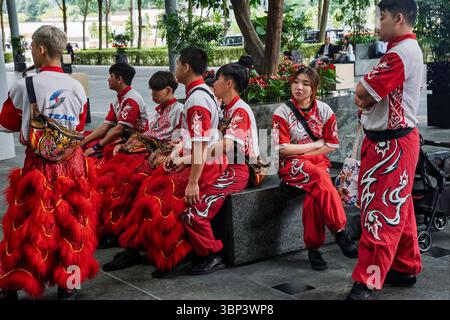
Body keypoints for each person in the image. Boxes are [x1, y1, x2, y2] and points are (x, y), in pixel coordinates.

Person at [104, 47, 225, 275]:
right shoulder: (199, 93)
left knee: (156, 197)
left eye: (178, 63)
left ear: (185, 67)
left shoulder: (197, 99)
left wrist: (192, 182)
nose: (176, 68)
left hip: (202, 164)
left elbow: (201, 144)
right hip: (194, 158)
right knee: (142, 187)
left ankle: (176, 255)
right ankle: (138, 248)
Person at [0, 25, 99, 300]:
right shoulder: (77, 86)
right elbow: (79, 125)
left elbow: (5, 121)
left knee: (26, 226)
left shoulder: (24, 85)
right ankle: (70, 285)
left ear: (41, 49)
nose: (31, 51)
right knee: (74, 226)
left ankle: (10, 287)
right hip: (73, 165)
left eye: (31, 47)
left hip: (38, 167)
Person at [346, 0, 423, 300]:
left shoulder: (401, 53)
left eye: (382, 16)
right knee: (398, 206)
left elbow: (362, 94)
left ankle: (368, 281)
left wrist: (362, 94)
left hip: (391, 144)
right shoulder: (403, 49)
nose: (378, 22)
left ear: (399, 18)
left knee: (381, 213)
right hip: (393, 141)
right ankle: (403, 267)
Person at [272, 66, 358, 272]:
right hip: (290, 165)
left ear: (314, 88)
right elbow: (283, 149)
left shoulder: (324, 110)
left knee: (314, 197)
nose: (299, 87)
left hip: (317, 162)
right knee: (320, 178)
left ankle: (313, 248)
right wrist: (314, 146)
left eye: (305, 84)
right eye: (295, 82)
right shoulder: (281, 112)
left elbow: (332, 144)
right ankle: (340, 232)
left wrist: (304, 151)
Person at [182, 63, 260, 276]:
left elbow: (227, 146)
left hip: (237, 170)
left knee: (194, 211)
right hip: (221, 165)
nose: (213, 84)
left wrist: (191, 158)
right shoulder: (225, 108)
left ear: (228, 83)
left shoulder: (240, 111)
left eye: (216, 79)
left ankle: (211, 255)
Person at [97, 71, 184, 249]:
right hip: (141, 150)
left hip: (154, 155)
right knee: (108, 175)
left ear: (168, 90)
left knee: (125, 182)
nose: (152, 97)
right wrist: (126, 144)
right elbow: (148, 133)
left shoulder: (178, 110)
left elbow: (173, 142)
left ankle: (117, 231)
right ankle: (109, 228)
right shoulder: (160, 110)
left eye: (155, 93)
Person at [81, 63, 148, 161]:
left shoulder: (132, 100)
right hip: (124, 137)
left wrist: (95, 147)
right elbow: (105, 126)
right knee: (87, 138)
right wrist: (84, 141)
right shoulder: (117, 100)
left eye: (111, 76)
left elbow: (119, 129)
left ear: (119, 79)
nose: (108, 79)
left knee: (102, 151)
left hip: (137, 141)